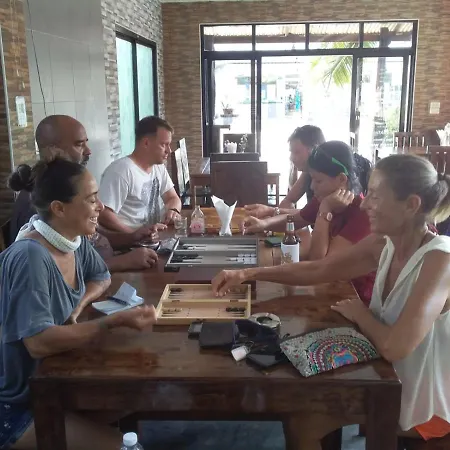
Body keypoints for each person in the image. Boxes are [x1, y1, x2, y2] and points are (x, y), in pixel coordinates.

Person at [212, 154, 450, 446]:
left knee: (304, 419)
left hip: (427, 409)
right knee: (300, 404)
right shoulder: (383, 243)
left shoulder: (440, 260)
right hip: (384, 382)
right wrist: (248, 273)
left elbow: (394, 346)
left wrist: (361, 314)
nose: (364, 204)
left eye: (375, 196)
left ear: (411, 205)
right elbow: (320, 269)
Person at [0, 158, 157, 450]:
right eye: (91, 199)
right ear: (59, 208)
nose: (100, 207)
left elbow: (101, 275)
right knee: (128, 447)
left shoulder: (72, 239)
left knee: (138, 395)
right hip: (19, 404)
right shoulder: (30, 257)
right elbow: (38, 342)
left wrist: (78, 306)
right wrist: (112, 321)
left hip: (55, 378)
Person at [8, 115, 162, 271]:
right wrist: (122, 262)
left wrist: (132, 237)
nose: (88, 151)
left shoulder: (65, 190)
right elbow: (61, 272)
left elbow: (96, 239)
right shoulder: (41, 202)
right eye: (79, 144)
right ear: (53, 150)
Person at [245, 141, 373, 304]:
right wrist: (264, 224)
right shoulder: (326, 198)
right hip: (331, 287)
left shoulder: (361, 214)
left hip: (355, 298)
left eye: (318, 181)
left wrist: (324, 210)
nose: (312, 187)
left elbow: (320, 263)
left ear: (342, 179)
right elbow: (296, 219)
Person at [98, 116, 182, 232]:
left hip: (156, 234)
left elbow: (172, 198)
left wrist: (173, 210)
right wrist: (133, 235)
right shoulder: (121, 171)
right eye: (164, 145)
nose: (169, 150)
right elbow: (103, 213)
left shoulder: (158, 167)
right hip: (132, 241)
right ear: (146, 143)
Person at [245, 125, 325, 219]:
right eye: (291, 152)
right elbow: (288, 200)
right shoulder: (307, 173)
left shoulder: (329, 175)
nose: (291, 158)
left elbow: (317, 213)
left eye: (296, 152)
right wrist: (271, 220)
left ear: (314, 150)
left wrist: (271, 211)